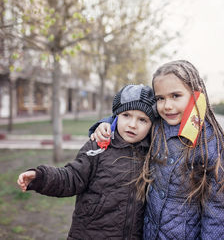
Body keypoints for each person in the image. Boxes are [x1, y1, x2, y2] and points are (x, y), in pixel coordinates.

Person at [89, 60, 224, 239]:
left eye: (175, 95)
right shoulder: (157, 125)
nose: (167, 105)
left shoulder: (209, 141)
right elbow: (132, 114)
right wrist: (107, 123)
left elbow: (218, 210)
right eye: (160, 98)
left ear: (195, 95)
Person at [17, 84, 158, 240]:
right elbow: (72, 177)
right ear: (116, 116)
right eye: (126, 115)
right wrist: (41, 177)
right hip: (89, 234)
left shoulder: (152, 153)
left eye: (142, 120)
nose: (132, 124)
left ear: (152, 125)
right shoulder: (98, 145)